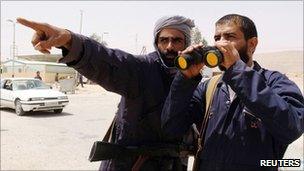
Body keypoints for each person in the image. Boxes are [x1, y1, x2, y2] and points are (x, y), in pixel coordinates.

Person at [17, 15, 195, 170]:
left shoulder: (192, 76)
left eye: (177, 40)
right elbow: (108, 61)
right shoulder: (142, 69)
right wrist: (70, 41)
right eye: (164, 40)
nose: (170, 46)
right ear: (156, 43)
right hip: (133, 165)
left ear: (186, 44)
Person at [161, 14, 304, 170]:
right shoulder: (209, 88)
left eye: (229, 37)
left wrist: (237, 71)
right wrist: (185, 80)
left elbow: (291, 128)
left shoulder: (274, 82)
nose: (220, 43)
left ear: (252, 44)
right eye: (217, 38)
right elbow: (172, 128)